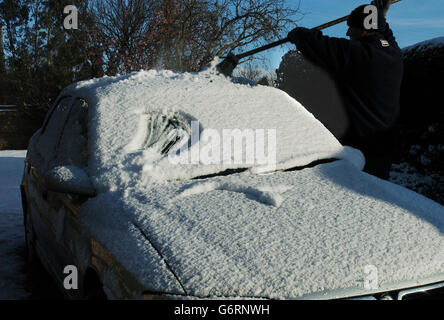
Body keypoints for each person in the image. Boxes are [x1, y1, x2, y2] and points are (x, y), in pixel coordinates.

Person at [287, 0, 403, 179]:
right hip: (383, 149)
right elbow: (384, 32)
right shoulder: (394, 53)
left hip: (357, 151)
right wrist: (379, 13)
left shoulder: (355, 53)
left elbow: (314, 43)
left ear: (363, 31)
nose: (348, 32)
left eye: (351, 28)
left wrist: (296, 33)